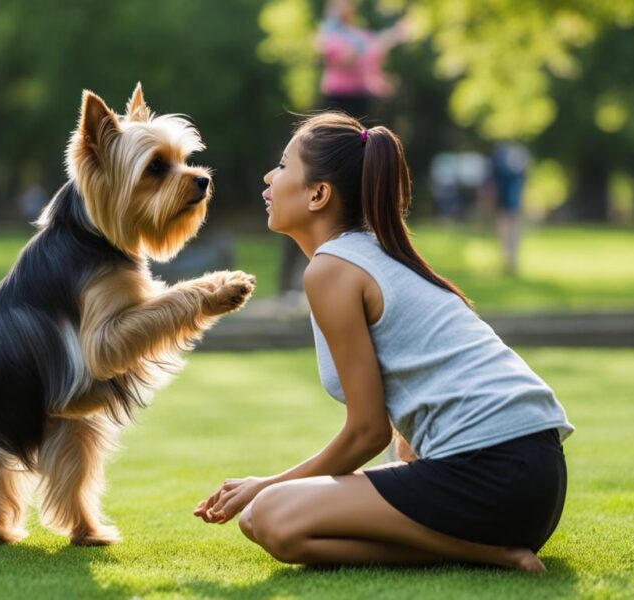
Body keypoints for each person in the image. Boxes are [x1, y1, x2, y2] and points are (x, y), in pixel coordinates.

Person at [194, 113, 574, 572]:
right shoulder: (375, 254)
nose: (268, 177)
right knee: (263, 518)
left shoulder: (333, 269)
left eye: (282, 165)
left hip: (494, 475)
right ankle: (490, 546)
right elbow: (403, 424)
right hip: (535, 481)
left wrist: (267, 482)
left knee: (270, 513)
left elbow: (367, 431)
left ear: (318, 194)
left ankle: (486, 552)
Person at [278, 0, 410, 299]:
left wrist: (391, 45)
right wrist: (384, 38)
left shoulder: (359, 34)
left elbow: (370, 65)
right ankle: (289, 286)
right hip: (336, 105)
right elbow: (347, 60)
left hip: (362, 106)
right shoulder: (329, 34)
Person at [490, 142, 530, 275]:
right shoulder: (505, 156)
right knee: (509, 232)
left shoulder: (504, 156)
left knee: (510, 232)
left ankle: (510, 260)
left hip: (510, 204)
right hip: (506, 203)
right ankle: (509, 260)